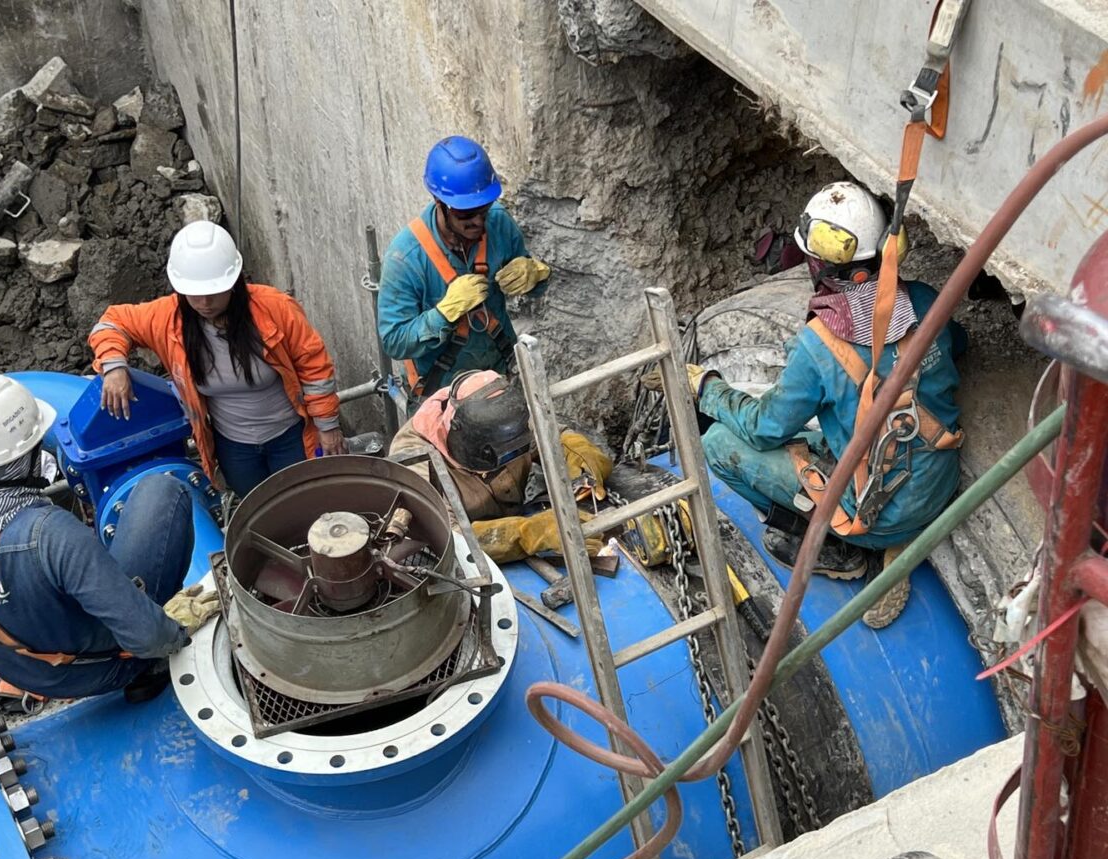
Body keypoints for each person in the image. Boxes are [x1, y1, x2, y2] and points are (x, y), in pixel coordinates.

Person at [678, 182, 965, 628]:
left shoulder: (820, 347)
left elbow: (764, 428)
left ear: (818, 266)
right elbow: (957, 344)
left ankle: (844, 548)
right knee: (838, 433)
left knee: (718, 442)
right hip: (938, 484)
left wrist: (708, 389)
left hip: (881, 514)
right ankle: (890, 535)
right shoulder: (926, 300)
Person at [0, 374, 217, 700]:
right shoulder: (52, 535)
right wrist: (175, 633)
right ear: (25, 455)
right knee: (162, 491)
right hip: (94, 671)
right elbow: (148, 636)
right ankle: (148, 670)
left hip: (13, 664)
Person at [91, 220, 344, 498]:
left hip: (290, 437)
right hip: (234, 447)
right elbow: (112, 322)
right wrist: (114, 366)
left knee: (305, 501)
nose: (204, 303)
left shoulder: (274, 308)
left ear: (233, 282)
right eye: (195, 295)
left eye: (213, 292)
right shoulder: (168, 318)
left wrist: (328, 427)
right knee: (257, 507)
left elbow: (314, 367)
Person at [378, 136, 551, 403]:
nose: (478, 222)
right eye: (466, 215)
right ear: (440, 203)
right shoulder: (406, 258)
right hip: (442, 395)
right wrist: (443, 314)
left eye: (484, 210)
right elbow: (394, 340)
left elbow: (533, 286)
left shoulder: (499, 223)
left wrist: (536, 273)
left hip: (499, 379)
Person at [388, 370, 611, 562]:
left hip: (517, 525)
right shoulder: (414, 460)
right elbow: (450, 538)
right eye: (497, 460)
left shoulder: (506, 414)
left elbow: (555, 437)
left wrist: (581, 460)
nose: (506, 464)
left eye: (515, 453)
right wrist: (530, 533)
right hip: (465, 564)